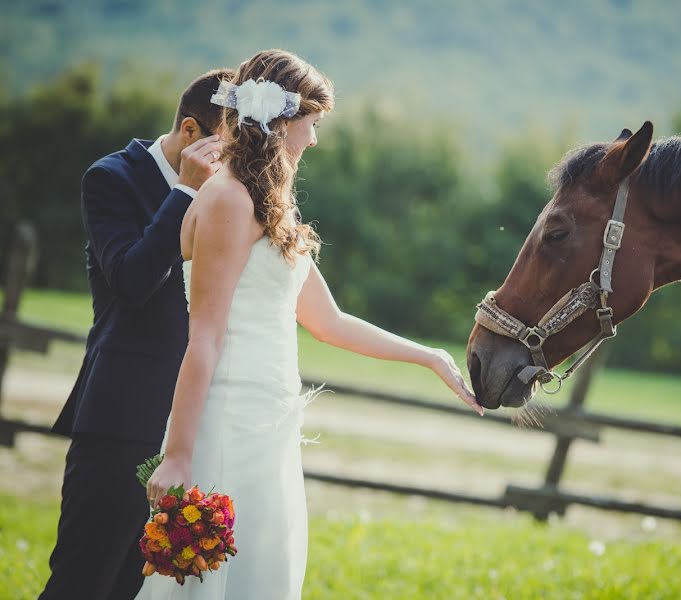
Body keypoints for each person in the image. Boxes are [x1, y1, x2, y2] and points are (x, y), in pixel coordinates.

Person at [135, 49, 481, 599]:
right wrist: (177, 455)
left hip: (271, 428)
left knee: (266, 577)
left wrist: (429, 356)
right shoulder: (226, 199)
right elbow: (204, 336)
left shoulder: (269, 204)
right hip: (228, 424)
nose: (315, 140)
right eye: (312, 124)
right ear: (281, 121)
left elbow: (330, 322)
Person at [40, 68, 235, 600]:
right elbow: (131, 281)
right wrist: (185, 192)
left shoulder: (228, 193)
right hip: (120, 416)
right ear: (192, 132)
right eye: (226, 147)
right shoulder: (111, 178)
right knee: (82, 579)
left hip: (192, 424)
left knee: (136, 588)